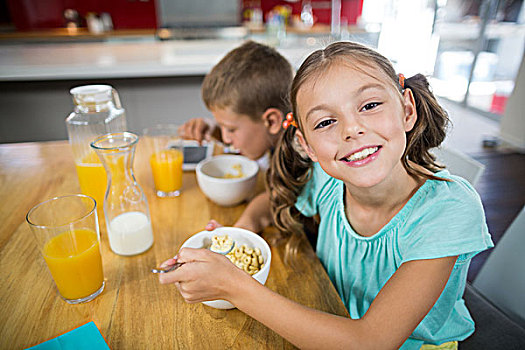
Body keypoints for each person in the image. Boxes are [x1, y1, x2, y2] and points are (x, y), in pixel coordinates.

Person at [159, 41, 493, 349]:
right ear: (307, 147)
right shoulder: (327, 180)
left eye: (371, 105)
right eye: (325, 123)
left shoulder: (448, 210)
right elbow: (269, 204)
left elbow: (370, 342)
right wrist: (237, 237)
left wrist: (234, 285)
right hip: (330, 315)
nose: (351, 130)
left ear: (407, 110)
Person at [179, 40, 294, 232]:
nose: (227, 138)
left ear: (272, 121)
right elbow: (249, 131)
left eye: (231, 129)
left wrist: (246, 224)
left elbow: (281, 196)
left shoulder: (301, 149)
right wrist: (212, 127)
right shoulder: (274, 130)